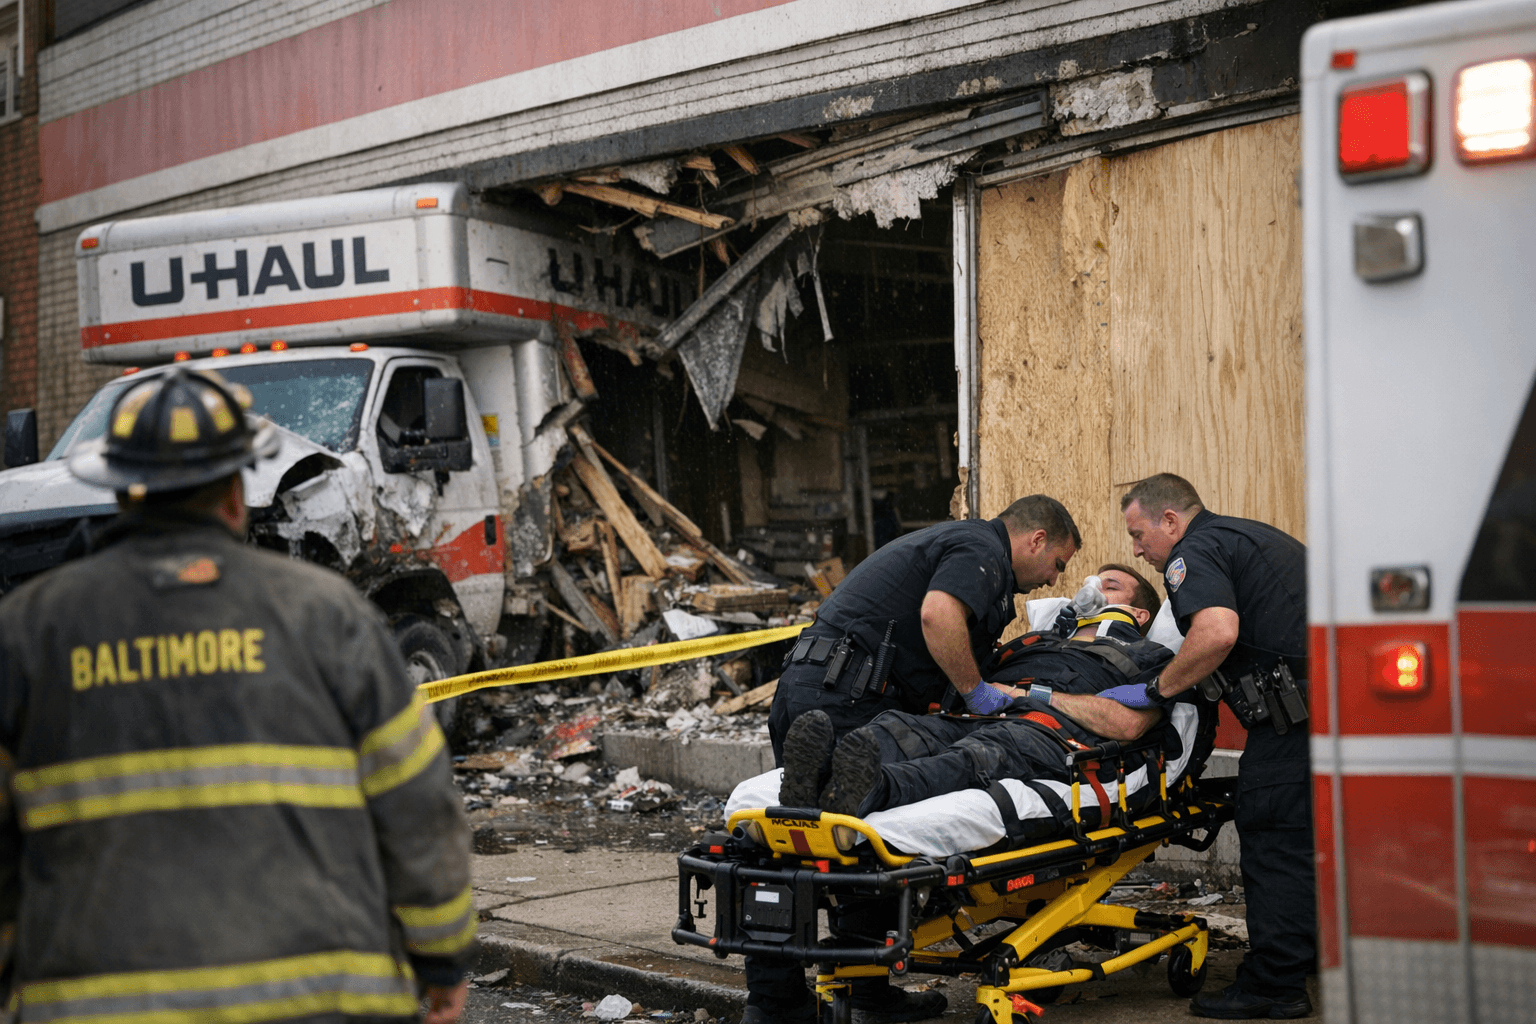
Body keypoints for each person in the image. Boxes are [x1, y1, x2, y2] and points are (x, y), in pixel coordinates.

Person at [0, 369, 475, 1024]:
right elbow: (417, 806)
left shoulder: (26, 633)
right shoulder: (327, 615)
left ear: (118, 491)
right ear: (234, 491)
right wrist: (443, 956)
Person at [748, 496, 1079, 1024]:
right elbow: (938, 614)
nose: (1050, 580)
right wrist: (976, 692)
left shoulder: (951, 543)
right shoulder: (982, 550)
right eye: (1057, 564)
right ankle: (865, 993)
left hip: (808, 685)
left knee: (792, 841)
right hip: (849, 697)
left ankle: (774, 1003)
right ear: (1036, 539)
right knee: (868, 834)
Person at [1120, 473, 1314, 1020]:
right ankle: (1311, 952)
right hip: (1335, 710)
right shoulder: (1245, 536)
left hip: (1293, 719)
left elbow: (1217, 632)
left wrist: (1157, 689)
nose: (1137, 549)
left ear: (1171, 521)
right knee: (1309, 841)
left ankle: (1275, 985)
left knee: (1273, 832)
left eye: (1139, 534)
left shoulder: (1193, 553)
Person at [780, 565, 1174, 818]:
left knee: (975, 757)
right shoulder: (1034, 641)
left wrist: (1029, 696)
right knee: (901, 728)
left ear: (1139, 614)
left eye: (1110, 584)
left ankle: (873, 791)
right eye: (1091, 579)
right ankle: (814, 780)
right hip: (979, 714)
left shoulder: (1146, 654)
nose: (1092, 586)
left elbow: (1127, 724)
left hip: (1043, 732)